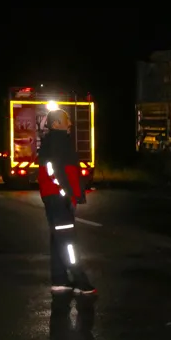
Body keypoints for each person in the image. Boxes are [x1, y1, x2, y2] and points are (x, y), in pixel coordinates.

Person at [37, 109, 96, 294]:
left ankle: (60, 278)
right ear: (56, 124)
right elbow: (53, 171)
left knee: (58, 238)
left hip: (56, 197)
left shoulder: (56, 141)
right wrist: (67, 194)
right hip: (59, 198)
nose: (70, 123)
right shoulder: (58, 142)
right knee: (68, 241)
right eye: (66, 120)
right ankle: (80, 280)